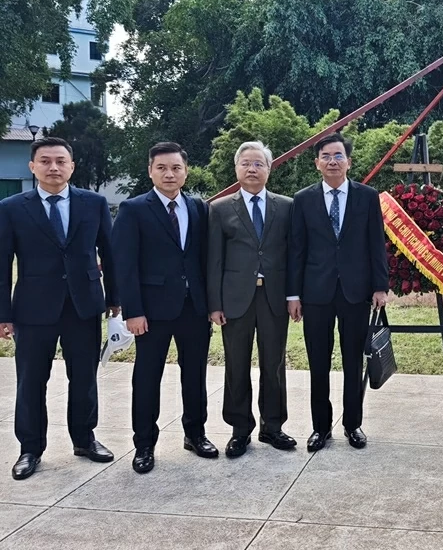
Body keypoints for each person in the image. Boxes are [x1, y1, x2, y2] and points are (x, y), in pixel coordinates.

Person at [0, 137, 119, 480]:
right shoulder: (11, 207)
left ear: (72, 166)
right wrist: (3, 314)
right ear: (32, 166)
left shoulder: (94, 203)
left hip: (83, 306)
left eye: (61, 161)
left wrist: (115, 300)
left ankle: (84, 439)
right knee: (31, 381)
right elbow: (2, 261)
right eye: (46, 161)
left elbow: (110, 255)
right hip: (32, 309)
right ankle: (30, 449)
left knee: (84, 378)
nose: (54, 167)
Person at [112, 142, 217, 474]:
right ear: (150, 171)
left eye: (176, 168)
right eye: (162, 168)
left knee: (195, 375)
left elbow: (203, 260)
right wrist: (132, 310)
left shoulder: (199, 208)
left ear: (186, 171)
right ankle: (144, 444)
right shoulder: (133, 209)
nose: (169, 174)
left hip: (194, 308)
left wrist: (210, 304)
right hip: (151, 311)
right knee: (146, 378)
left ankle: (195, 434)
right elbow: (123, 265)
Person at [286, 133, 388, 452]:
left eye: (338, 156)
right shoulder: (302, 199)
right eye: (326, 156)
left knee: (352, 361)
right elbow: (296, 251)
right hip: (315, 294)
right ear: (317, 163)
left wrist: (380, 286)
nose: (332, 161)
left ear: (349, 161)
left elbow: (376, 245)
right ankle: (320, 428)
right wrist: (293, 295)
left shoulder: (367, 197)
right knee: (318, 362)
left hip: (355, 293)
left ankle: (352, 424)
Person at [207, 141, 295, 458]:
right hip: (235, 300)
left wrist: (294, 295)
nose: (252, 169)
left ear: (269, 169)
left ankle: (272, 427)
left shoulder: (285, 206)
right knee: (236, 365)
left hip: (273, 299)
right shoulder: (219, 209)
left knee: (273, 365)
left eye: (259, 163)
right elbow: (213, 260)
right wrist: (214, 304)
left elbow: (294, 255)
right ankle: (239, 429)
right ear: (237, 168)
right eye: (246, 163)